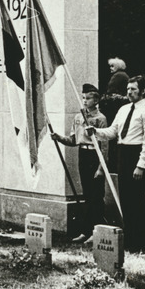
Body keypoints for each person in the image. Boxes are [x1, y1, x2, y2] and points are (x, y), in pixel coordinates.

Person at [86, 75, 145, 253]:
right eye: (128, 89)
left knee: (138, 200)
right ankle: (129, 239)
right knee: (125, 199)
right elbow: (113, 131)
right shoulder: (123, 109)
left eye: (134, 89)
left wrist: (141, 165)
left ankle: (141, 242)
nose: (129, 92)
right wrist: (96, 132)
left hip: (137, 154)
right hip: (123, 154)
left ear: (143, 91)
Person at [50, 84, 107, 244]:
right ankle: (86, 231)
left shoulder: (100, 119)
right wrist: (59, 138)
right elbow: (74, 140)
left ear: (96, 100)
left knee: (97, 196)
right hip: (83, 155)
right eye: (83, 98)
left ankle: (97, 231)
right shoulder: (78, 117)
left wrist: (101, 167)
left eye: (88, 98)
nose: (85, 101)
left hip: (95, 156)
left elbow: (105, 146)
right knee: (87, 195)